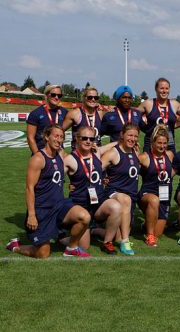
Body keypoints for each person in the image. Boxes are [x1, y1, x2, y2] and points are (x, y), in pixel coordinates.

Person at [6, 125, 91, 258]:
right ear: (46, 137)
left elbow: (76, 164)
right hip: (42, 210)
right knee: (43, 253)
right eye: (56, 136)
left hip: (59, 205)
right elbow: (29, 188)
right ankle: (15, 247)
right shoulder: (38, 159)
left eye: (62, 137)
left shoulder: (60, 154)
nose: (59, 140)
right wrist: (32, 215)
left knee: (84, 217)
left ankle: (71, 248)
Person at [64, 125, 121, 254]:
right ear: (76, 139)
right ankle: (63, 239)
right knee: (84, 246)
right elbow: (54, 177)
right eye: (84, 138)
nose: (88, 141)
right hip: (81, 205)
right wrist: (66, 183)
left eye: (91, 139)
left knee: (116, 208)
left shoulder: (96, 152)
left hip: (98, 203)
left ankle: (107, 242)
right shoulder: (70, 159)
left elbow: (114, 145)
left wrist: (124, 141)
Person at [101, 122, 141, 255]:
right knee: (125, 199)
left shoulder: (135, 151)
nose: (133, 139)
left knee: (116, 236)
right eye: (130, 135)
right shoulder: (113, 153)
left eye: (135, 136)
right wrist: (102, 178)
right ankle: (125, 242)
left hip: (131, 197)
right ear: (122, 135)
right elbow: (95, 170)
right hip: (114, 193)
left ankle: (94, 230)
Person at [137, 124, 174, 247]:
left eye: (164, 143)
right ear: (152, 142)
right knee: (154, 200)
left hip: (164, 198)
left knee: (158, 232)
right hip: (147, 195)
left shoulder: (170, 155)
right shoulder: (144, 157)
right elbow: (127, 169)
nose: (162, 146)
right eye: (159, 143)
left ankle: (145, 226)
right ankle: (150, 237)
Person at [138, 77, 180, 152]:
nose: (164, 91)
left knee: (170, 163)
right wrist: (146, 128)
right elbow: (133, 115)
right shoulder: (148, 103)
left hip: (169, 144)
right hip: (151, 144)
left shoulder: (175, 104)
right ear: (156, 89)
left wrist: (176, 124)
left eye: (167, 88)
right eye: (162, 88)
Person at [26, 84, 68, 154]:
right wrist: (38, 156)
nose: (56, 97)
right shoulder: (36, 113)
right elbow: (30, 138)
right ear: (46, 95)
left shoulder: (64, 112)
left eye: (59, 95)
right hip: (42, 153)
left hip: (59, 153)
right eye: (53, 95)